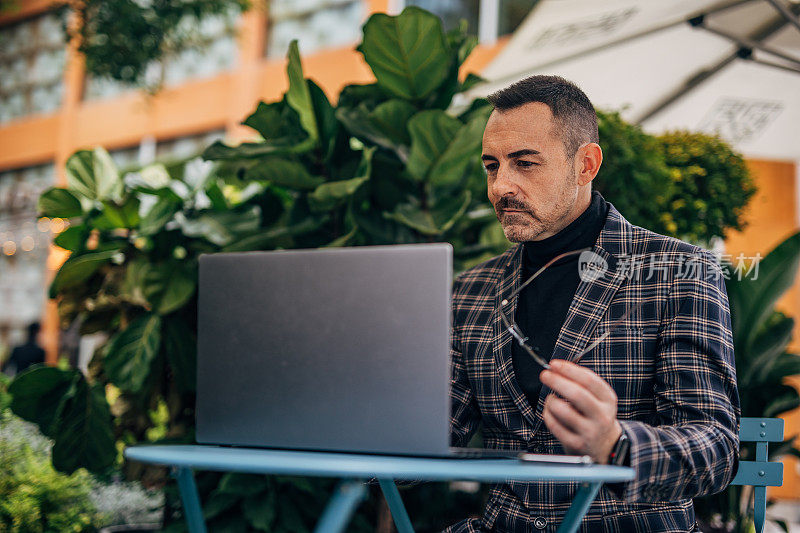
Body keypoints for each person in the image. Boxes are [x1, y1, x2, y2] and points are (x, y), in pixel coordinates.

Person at [447, 75, 739, 532]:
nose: (501, 186)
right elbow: (423, 445)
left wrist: (615, 443)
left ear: (586, 165)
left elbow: (716, 450)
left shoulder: (680, 271)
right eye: (491, 165)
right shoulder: (471, 290)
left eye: (524, 163)